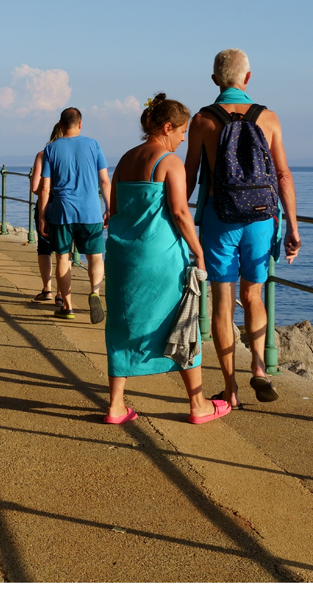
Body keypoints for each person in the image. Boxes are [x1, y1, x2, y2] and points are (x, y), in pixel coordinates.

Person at [103, 95, 230, 425]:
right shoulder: (169, 162)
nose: (184, 138)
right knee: (183, 322)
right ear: (167, 127)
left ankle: (116, 405)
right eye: (183, 131)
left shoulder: (126, 159)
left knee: (121, 325)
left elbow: (114, 209)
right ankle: (198, 403)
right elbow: (179, 212)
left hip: (122, 256)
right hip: (160, 258)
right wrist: (199, 252)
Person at [185, 48, 301, 407]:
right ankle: (260, 369)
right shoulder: (269, 119)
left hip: (220, 218)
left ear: (215, 80)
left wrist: (177, 218)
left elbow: (188, 175)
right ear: (247, 78)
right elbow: (282, 175)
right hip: (262, 218)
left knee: (223, 302)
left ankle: (230, 390)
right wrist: (293, 227)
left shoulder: (203, 120)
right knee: (253, 295)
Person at [38, 108, 111, 323]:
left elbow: (44, 188)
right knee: (95, 256)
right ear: (80, 124)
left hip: (62, 212)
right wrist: (109, 208)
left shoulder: (51, 148)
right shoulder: (93, 145)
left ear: (60, 125)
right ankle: (95, 292)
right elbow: (105, 181)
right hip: (91, 211)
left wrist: (43, 216)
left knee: (63, 257)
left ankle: (67, 307)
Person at [30, 122, 66, 305]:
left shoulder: (42, 155)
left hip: (47, 205)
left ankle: (47, 289)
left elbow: (35, 188)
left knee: (44, 248)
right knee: (63, 250)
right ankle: (62, 294)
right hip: (66, 206)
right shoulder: (70, 155)